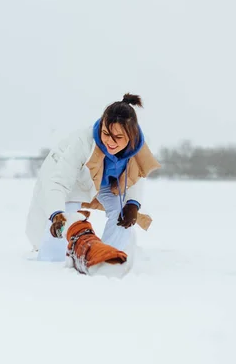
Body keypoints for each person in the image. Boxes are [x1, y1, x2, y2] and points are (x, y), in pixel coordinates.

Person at [24, 93, 161, 262]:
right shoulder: (82, 142)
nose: (110, 142)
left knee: (122, 214)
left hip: (107, 184)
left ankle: (109, 255)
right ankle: (53, 261)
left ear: (131, 136)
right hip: (75, 179)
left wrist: (133, 204)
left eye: (118, 137)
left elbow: (134, 176)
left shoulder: (137, 148)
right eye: (105, 133)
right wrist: (56, 214)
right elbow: (59, 181)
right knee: (63, 219)